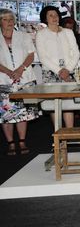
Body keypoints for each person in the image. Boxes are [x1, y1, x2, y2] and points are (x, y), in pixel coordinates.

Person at [0, 9, 40, 155]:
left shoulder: (23, 36)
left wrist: (20, 69)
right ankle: (11, 143)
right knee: (6, 113)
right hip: (3, 80)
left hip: (24, 78)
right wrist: (8, 72)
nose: (9, 22)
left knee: (23, 112)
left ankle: (22, 141)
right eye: (5, 19)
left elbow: (31, 54)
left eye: (11, 19)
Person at [36, 5, 80, 128]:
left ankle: (69, 133)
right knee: (53, 106)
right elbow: (43, 57)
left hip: (69, 72)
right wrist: (59, 71)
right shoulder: (41, 34)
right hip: (50, 72)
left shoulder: (68, 32)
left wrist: (68, 69)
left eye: (56, 15)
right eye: (50, 15)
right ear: (45, 18)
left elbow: (76, 53)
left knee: (68, 104)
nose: (54, 18)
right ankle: (59, 135)